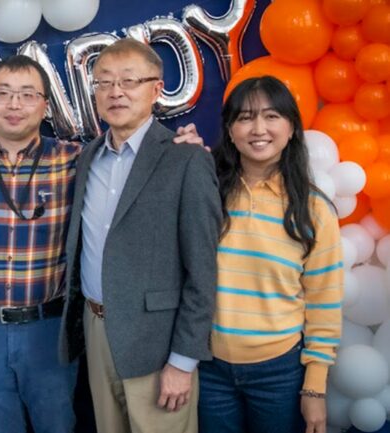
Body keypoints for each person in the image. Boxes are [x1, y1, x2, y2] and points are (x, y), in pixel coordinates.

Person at [59, 38, 222, 433]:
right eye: (104, 82)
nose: (116, 92)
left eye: (129, 81)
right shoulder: (88, 158)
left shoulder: (187, 159)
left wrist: (183, 362)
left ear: (156, 89)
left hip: (158, 343)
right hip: (96, 330)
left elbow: (202, 272)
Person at [198, 76, 343, 433]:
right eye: (245, 117)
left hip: (280, 373)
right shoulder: (206, 194)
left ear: (292, 127)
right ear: (230, 130)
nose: (258, 128)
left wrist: (315, 387)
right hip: (208, 368)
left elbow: (324, 302)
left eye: (272, 116)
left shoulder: (313, 210)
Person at [0, 55, 82, 433]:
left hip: (49, 327)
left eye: (27, 95)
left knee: (57, 425)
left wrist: (182, 146)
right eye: (3, 93)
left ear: (44, 106)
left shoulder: (74, 160)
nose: (14, 105)